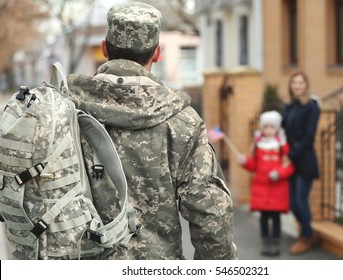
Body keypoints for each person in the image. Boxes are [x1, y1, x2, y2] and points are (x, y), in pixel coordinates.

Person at [67, 2, 237, 260]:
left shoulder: (64, 109)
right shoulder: (183, 121)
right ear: (158, 53)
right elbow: (211, 214)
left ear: (104, 49)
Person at [238, 111, 294, 256]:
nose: (268, 130)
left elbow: (289, 166)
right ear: (262, 129)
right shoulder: (257, 146)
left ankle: (275, 243)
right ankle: (266, 243)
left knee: (275, 218)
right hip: (261, 188)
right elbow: (254, 165)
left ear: (277, 129)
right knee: (264, 218)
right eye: (266, 127)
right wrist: (245, 162)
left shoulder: (283, 146)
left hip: (277, 188)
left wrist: (279, 173)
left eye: (272, 127)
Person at [281, 72, 320, 255]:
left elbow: (309, 137)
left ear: (305, 85)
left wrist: (291, 154)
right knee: (291, 203)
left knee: (300, 200)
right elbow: (282, 133)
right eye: (294, 82)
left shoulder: (311, 106)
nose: (297, 85)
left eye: (300, 82)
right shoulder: (288, 107)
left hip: (304, 160)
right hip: (291, 161)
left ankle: (306, 237)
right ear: (290, 86)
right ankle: (308, 232)